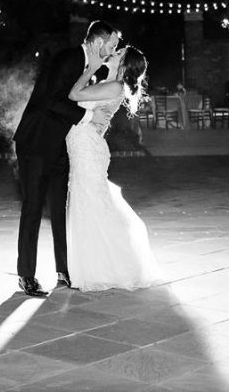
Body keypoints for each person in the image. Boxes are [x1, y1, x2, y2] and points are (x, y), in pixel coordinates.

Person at [13, 20, 120, 297]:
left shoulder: (93, 68)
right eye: (112, 45)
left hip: (63, 147)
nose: (113, 50)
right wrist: (87, 116)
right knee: (34, 207)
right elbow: (51, 101)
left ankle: (64, 270)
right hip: (36, 143)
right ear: (99, 42)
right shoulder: (68, 58)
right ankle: (27, 275)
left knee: (61, 209)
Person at [64, 46, 157, 290]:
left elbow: (74, 95)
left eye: (119, 52)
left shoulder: (115, 86)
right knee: (87, 200)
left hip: (87, 145)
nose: (113, 52)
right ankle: (93, 264)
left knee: (90, 201)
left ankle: (104, 267)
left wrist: (91, 68)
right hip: (85, 144)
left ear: (124, 63)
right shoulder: (110, 83)